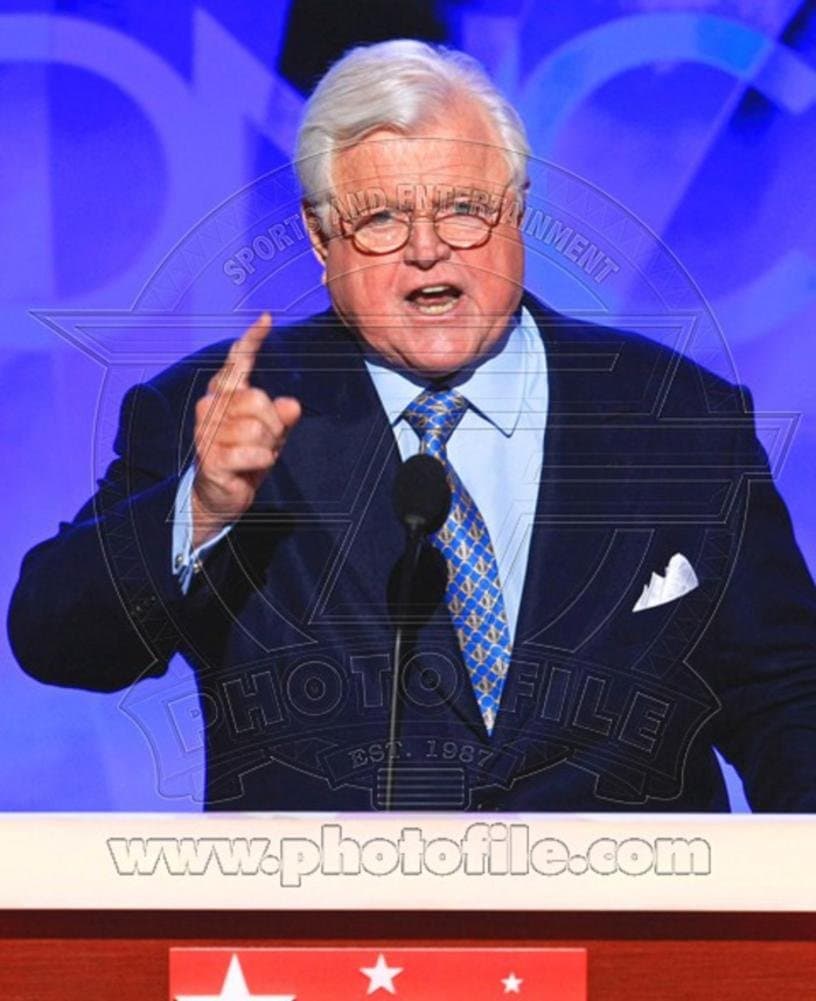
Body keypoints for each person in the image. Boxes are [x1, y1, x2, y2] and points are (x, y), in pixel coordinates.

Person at [8, 40, 816, 812]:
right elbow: (56, 639)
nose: (428, 250)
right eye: (382, 219)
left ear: (519, 210)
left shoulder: (676, 415)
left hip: (631, 934)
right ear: (321, 240)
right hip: (330, 943)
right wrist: (200, 507)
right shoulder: (220, 410)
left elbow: (786, 698)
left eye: (464, 209)